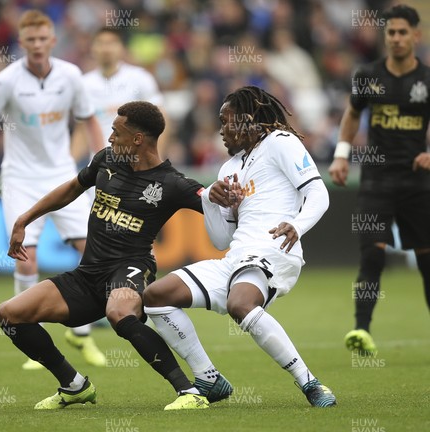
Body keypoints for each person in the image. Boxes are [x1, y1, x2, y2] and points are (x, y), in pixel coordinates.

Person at [0, 101, 223, 410]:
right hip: (87, 275)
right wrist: (24, 219)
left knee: (119, 313)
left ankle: (189, 392)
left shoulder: (172, 183)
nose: (110, 138)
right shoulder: (105, 161)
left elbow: (214, 205)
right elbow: (71, 189)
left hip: (130, 269)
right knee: (9, 314)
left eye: (116, 132)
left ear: (138, 139)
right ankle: (74, 385)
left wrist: (226, 198)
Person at [143, 86, 337, 407]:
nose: (221, 130)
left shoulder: (280, 142)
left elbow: (318, 193)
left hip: (275, 247)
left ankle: (310, 383)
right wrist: (212, 201)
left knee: (240, 304)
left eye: (227, 121)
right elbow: (220, 239)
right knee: (155, 298)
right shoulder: (228, 168)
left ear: (248, 120)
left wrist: (297, 226)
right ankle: (208, 378)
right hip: (237, 257)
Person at [0, 10, 107, 369]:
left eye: (44, 38)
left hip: (63, 175)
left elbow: (89, 119)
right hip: (21, 179)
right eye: (31, 39)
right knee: (25, 253)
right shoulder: (7, 81)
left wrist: (102, 162)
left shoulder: (70, 76)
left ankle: (82, 332)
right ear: (22, 42)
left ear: (53, 40)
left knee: (92, 250)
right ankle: (31, 337)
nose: (38, 45)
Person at [328, 4, 430, 356]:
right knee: (372, 255)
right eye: (391, 32)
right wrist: (342, 155)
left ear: (416, 35)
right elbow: (352, 114)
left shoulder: (427, 80)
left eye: (404, 32)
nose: (397, 38)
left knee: (428, 262)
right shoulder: (368, 75)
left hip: (419, 184)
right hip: (376, 183)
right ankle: (361, 330)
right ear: (385, 36)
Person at [72, 27, 164, 154]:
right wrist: (70, 166)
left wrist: (156, 160)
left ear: (121, 48)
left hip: (134, 164)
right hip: (100, 166)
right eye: (100, 43)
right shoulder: (84, 84)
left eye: (111, 43)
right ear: (92, 49)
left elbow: (160, 119)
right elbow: (82, 131)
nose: (106, 49)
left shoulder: (140, 78)